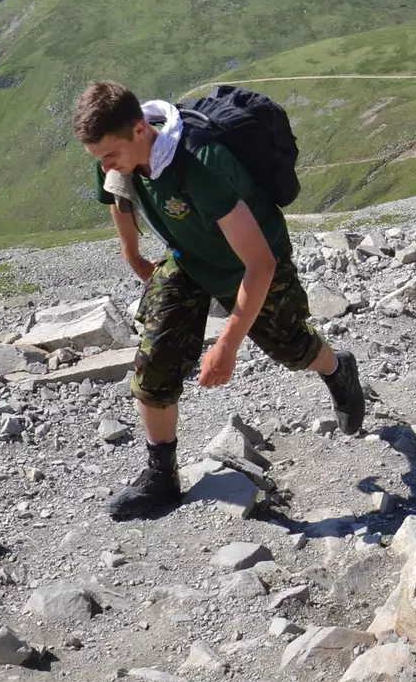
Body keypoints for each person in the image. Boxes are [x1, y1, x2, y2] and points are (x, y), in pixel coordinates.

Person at [74, 80, 366, 520]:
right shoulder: (115, 153)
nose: (105, 164)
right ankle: (161, 477)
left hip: (250, 263)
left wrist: (226, 346)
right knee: (155, 361)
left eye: (109, 154)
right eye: (98, 158)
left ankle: (337, 368)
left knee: (293, 348)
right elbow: (117, 191)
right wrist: (133, 255)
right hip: (189, 257)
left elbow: (260, 264)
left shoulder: (199, 164)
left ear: (139, 130)